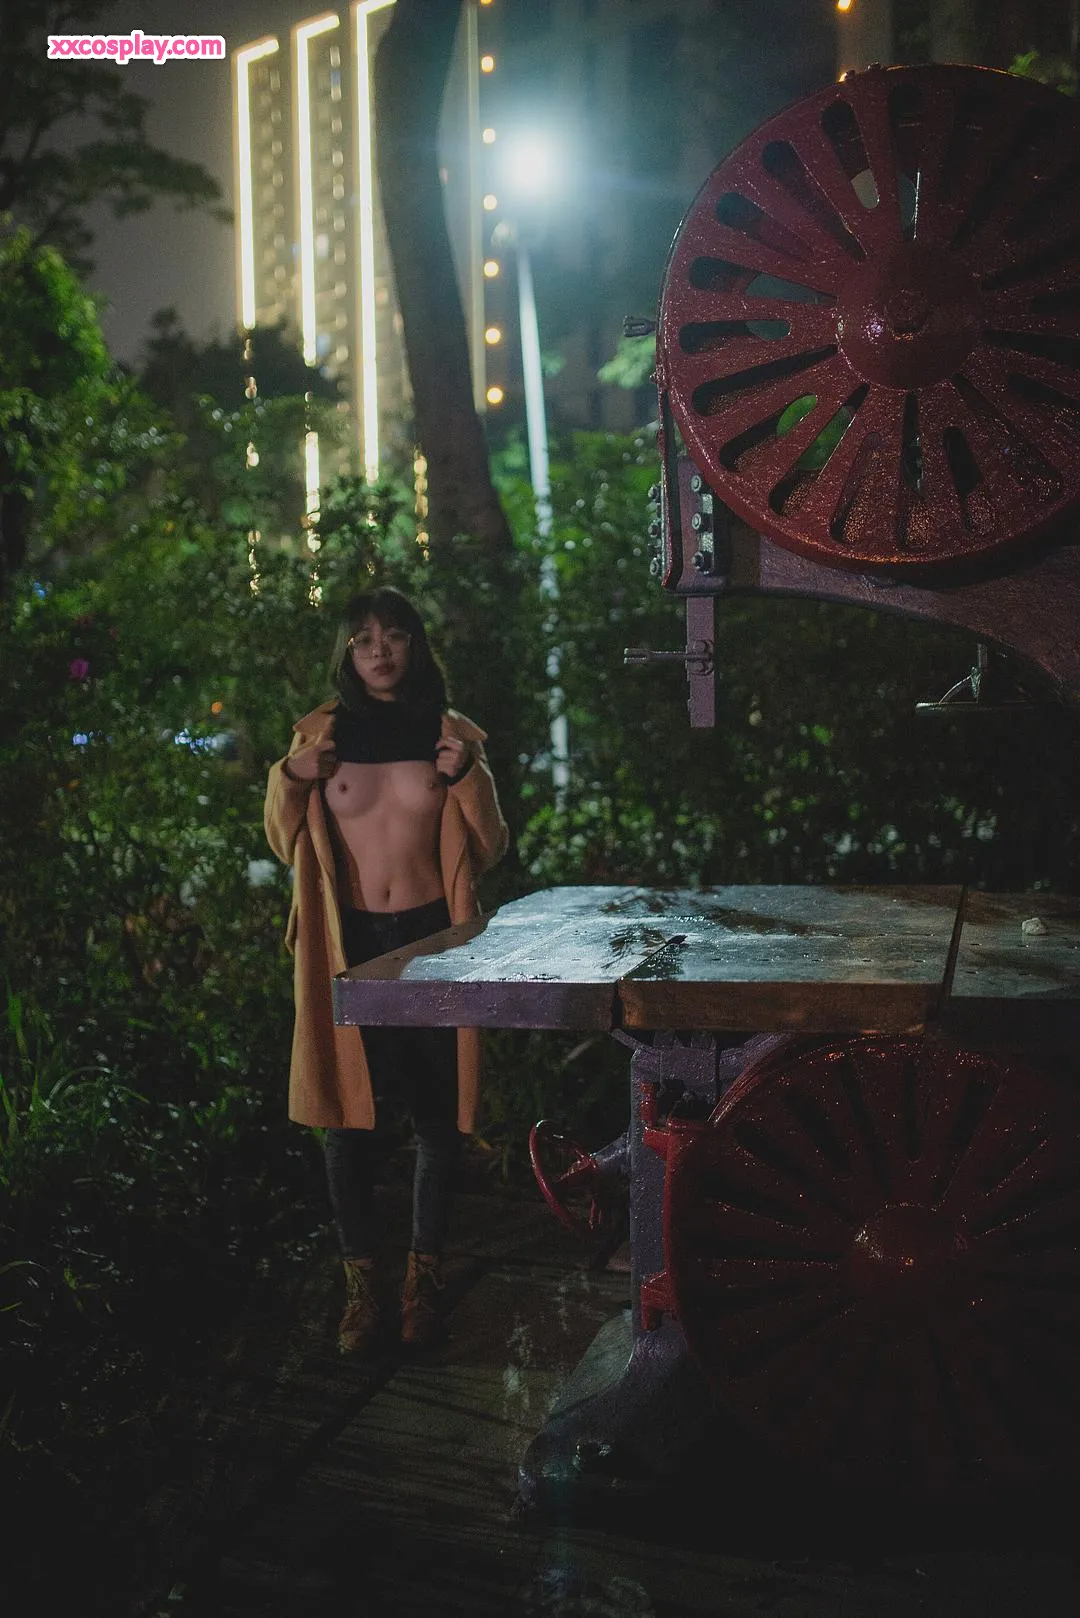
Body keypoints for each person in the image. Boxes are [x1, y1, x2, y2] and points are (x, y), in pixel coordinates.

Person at [264, 587, 508, 1355]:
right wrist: (291, 775)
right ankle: (361, 1290)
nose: (379, 650)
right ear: (346, 651)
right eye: (363, 638)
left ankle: (421, 1285)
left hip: (436, 938)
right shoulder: (319, 737)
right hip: (351, 941)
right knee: (345, 1120)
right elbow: (280, 840)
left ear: (415, 645)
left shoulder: (449, 734)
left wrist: (469, 776)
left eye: (394, 635)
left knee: (437, 1116)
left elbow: (491, 846)